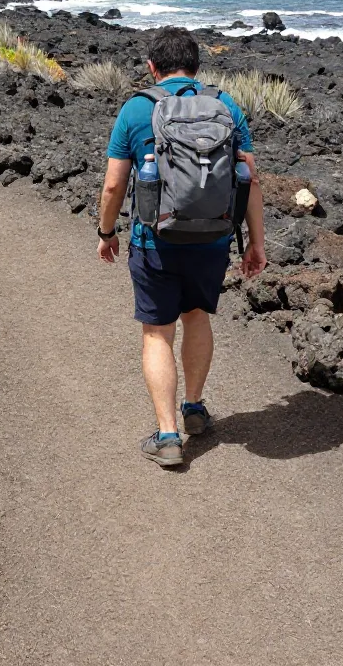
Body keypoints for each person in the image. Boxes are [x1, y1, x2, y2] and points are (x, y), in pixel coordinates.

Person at [96, 27, 266, 468]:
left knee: (157, 332)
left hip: (155, 241)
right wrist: (255, 244)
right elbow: (249, 179)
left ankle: (168, 435)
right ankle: (194, 406)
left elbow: (114, 183)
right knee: (197, 317)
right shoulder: (226, 105)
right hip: (213, 238)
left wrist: (106, 232)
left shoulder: (137, 109)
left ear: (151, 67)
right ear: (196, 67)